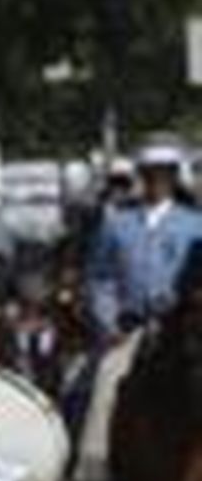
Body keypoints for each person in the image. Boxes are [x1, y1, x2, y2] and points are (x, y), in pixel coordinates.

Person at [85, 135, 202, 345]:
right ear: (141, 175)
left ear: (175, 176)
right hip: (128, 330)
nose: (157, 180)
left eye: (164, 173)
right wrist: (109, 324)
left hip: (183, 331)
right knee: (105, 376)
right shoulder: (116, 224)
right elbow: (100, 278)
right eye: (150, 172)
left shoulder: (196, 225)